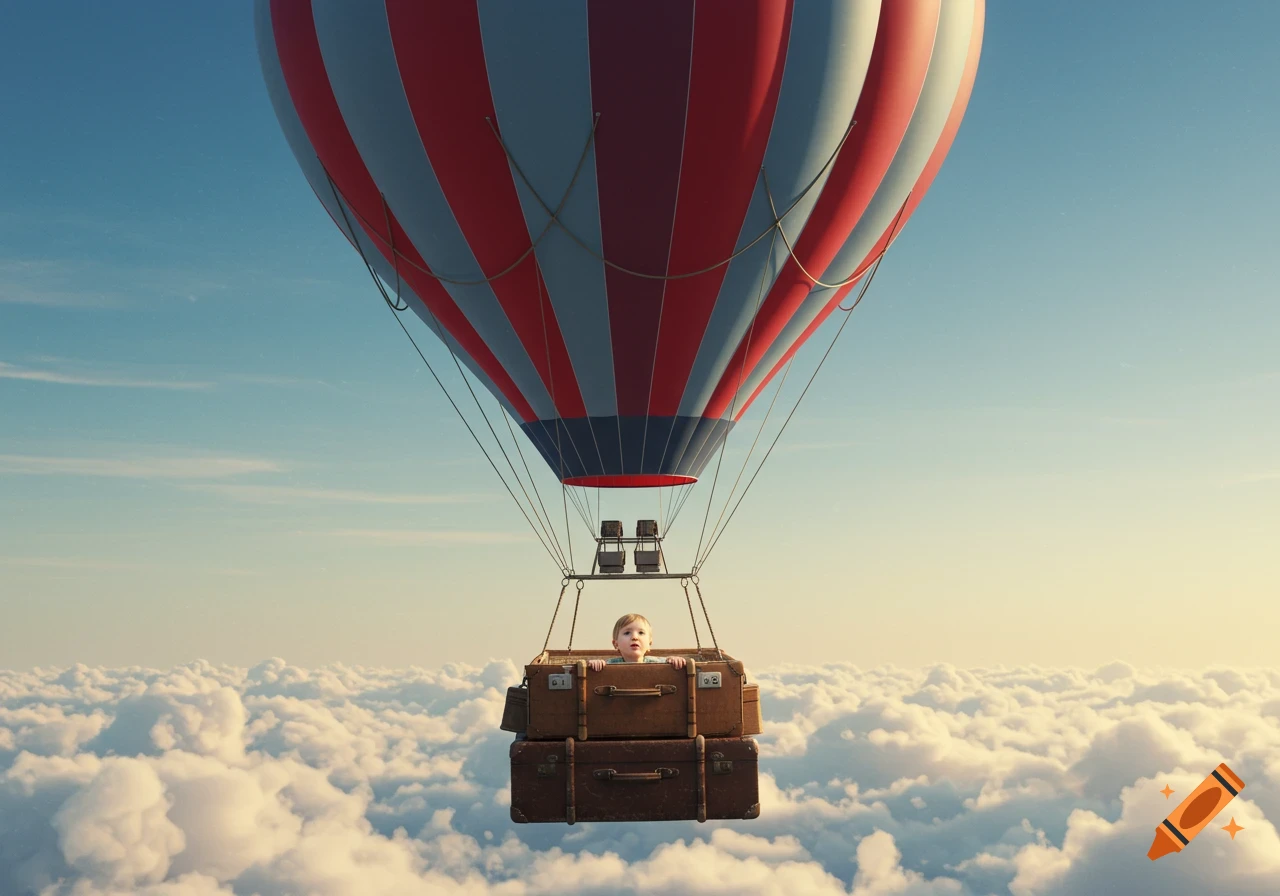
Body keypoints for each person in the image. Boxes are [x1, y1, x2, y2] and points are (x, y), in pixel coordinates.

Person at [587, 613, 687, 671]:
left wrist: (674, 659)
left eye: (641, 633)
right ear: (616, 644)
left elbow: (667, 661)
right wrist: (594, 663)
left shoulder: (655, 663)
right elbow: (588, 665)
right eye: (627, 633)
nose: (635, 637)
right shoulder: (610, 665)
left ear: (649, 644)